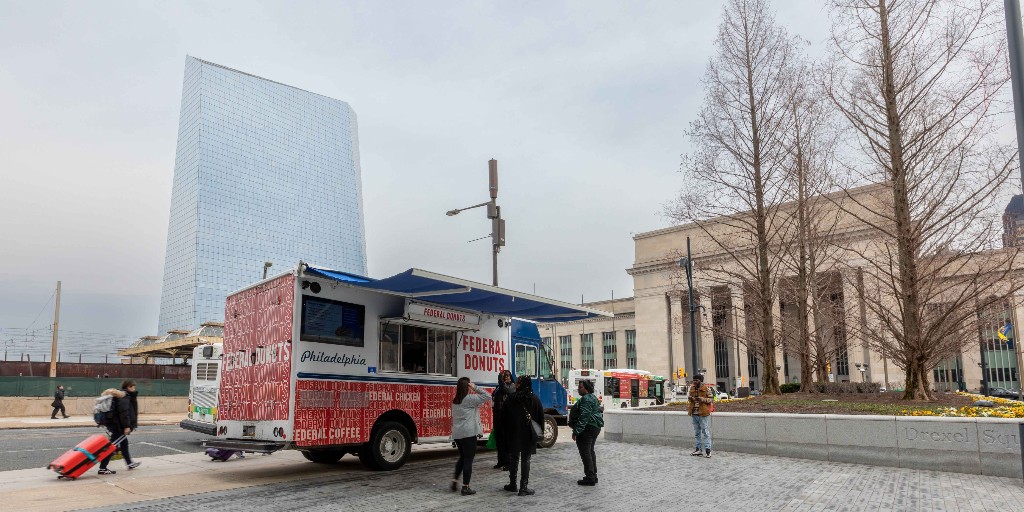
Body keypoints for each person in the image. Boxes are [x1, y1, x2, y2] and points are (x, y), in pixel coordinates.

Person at [503, 375, 543, 496]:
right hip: (528, 434)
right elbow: (540, 418)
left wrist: (505, 432)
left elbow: (503, 417)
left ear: (521, 385)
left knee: (514, 457)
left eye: (518, 383)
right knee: (526, 459)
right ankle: (523, 487)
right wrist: (540, 433)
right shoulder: (534, 399)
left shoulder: (511, 398)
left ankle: (513, 484)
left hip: (514, 432)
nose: (515, 384)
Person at [450, 377, 491, 496]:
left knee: (462, 458)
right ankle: (465, 487)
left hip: (457, 434)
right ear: (467, 386)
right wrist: (475, 387)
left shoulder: (455, 400)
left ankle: (454, 481)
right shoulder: (470, 399)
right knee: (468, 460)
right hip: (468, 433)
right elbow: (487, 396)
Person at [98, 380, 141, 474]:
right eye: (133, 387)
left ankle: (129, 463)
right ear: (129, 387)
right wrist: (127, 426)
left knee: (124, 444)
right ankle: (102, 468)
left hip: (117, 425)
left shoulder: (123, 395)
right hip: (119, 426)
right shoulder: (124, 396)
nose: (134, 389)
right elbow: (124, 413)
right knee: (111, 447)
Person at [568, 378, 603, 485]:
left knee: (586, 452)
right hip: (594, 427)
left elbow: (584, 417)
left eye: (580, 387)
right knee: (590, 451)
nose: (578, 389)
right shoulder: (592, 397)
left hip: (587, 428)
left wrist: (576, 431)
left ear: (586, 388)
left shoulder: (586, 399)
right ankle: (593, 475)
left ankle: (590, 477)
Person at [490, 369, 515, 470]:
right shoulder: (498, 387)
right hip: (497, 414)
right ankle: (501, 461)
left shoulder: (512, 386)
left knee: (506, 440)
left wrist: (500, 378)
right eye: (504, 376)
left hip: (506, 416)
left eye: (508, 375)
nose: (506, 377)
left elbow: (505, 390)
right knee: (499, 439)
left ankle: (508, 463)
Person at [688, 374, 714, 458]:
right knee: (697, 433)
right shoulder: (692, 388)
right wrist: (690, 399)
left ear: (700, 381)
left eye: (696, 380)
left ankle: (708, 450)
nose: (694, 382)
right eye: (694, 380)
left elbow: (711, 399)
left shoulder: (706, 388)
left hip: (703, 413)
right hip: (694, 413)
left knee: (705, 432)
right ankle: (698, 449)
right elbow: (690, 398)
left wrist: (702, 399)